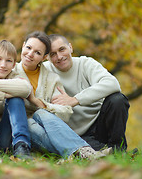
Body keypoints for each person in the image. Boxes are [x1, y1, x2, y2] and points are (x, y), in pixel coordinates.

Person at [13, 31, 107, 159]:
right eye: (28, 48)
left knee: (40, 113)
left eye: (38, 53)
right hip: (22, 130)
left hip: (50, 128)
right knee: (27, 122)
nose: (30, 54)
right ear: (23, 46)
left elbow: (65, 112)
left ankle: (79, 153)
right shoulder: (9, 71)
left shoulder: (51, 78)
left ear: (44, 57)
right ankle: (83, 152)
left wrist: (39, 103)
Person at [44, 34, 130, 151]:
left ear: (70, 47)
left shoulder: (85, 63)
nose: (59, 57)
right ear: (47, 57)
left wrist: (75, 100)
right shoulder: (44, 71)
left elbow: (112, 83)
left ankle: (118, 147)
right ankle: (110, 152)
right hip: (76, 135)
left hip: (99, 124)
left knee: (117, 100)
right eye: (53, 54)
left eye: (62, 49)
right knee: (96, 151)